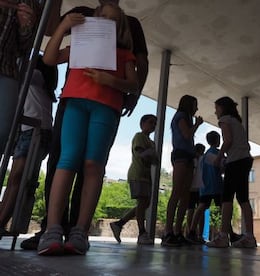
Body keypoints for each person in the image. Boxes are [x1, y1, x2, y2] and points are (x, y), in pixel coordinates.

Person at [21, 0, 149, 250]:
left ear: (120, 28)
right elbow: (49, 58)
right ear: (94, 19)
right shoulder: (79, 42)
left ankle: (80, 231)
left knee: (93, 164)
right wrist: (64, 26)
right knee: (66, 159)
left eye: (113, 21)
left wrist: (111, 81)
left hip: (107, 108)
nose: (106, 24)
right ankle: (53, 228)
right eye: (103, 18)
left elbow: (133, 82)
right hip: (75, 103)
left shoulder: (124, 53)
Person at [0, 56, 57, 237]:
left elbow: (17, 66)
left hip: (35, 131)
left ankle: (2, 221)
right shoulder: (42, 83)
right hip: (33, 130)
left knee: (17, 178)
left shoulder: (35, 75)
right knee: (17, 179)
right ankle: (2, 221)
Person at [206, 97, 256, 248]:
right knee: (243, 199)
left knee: (226, 199)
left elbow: (227, 140)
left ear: (222, 108)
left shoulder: (225, 120)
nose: (215, 111)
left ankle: (222, 236)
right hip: (245, 160)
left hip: (236, 162)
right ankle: (249, 237)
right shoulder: (237, 121)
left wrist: (219, 158)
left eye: (217, 108)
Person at [161, 95, 203, 247]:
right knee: (177, 192)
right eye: (195, 105)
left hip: (187, 156)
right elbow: (187, 134)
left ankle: (177, 232)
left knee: (185, 195)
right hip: (181, 155)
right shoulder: (180, 116)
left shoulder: (184, 117)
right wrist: (197, 124)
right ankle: (168, 232)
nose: (196, 109)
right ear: (188, 105)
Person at [110, 114, 158, 245]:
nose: (153, 125)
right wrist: (150, 154)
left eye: (155, 123)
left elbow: (155, 160)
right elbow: (142, 155)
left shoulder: (151, 142)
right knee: (143, 203)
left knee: (144, 204)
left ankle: (119, 224)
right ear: (142, 124)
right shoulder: (139, 136)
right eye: (150, 122)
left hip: (146, 176)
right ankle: (142, 233)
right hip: (137, 174)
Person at [0, 1, 39, 157]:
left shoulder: (30, 3)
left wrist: (25, 26)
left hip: (7, 69)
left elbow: (23, 49)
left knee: (2, 130)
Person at [185, 143, 206, 239]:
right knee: (200, 211)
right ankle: (199, 234)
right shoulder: (202, 160)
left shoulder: (192, 160)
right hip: (200, 188)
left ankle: (190, 233)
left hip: (191, 188)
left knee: (191, 210)